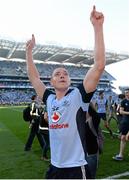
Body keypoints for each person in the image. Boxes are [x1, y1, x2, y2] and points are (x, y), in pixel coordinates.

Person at [26, 5, 105, 179]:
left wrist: (97, 28)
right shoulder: (49, 99)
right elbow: (34, 79)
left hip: (76, 168)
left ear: (69, 81)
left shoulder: (79, 95)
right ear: (52, 81)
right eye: (57, 74)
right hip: (54, 167)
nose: (62, 75)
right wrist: (29, 52)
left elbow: (98, 66)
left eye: (65, 74)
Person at [85, 102, 101, 179]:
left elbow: (96, 115)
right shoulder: (80, 121)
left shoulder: (93, 120)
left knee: (90, 176)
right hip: (81, 154)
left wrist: (87, 103)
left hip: (91, 152)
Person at [113, 89, 129, 161]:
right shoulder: (123, 101)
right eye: (125, 93)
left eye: (128, 92)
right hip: (125, 121)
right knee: (123, 137)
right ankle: (120, 155)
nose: (126, 94)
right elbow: (121, 111)